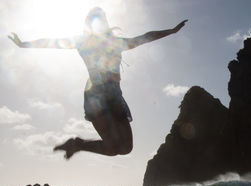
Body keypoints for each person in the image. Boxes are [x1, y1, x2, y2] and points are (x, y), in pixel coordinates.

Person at [9, 7, 187, 159]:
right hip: (96, 97)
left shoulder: (116, 43)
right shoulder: (82, 42)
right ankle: (77, 145)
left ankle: (77, 145)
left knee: (125, 148)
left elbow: (145, 37)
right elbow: (51, 43)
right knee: (112, 147)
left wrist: (171, 31)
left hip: (114, 96)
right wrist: (24, 44)